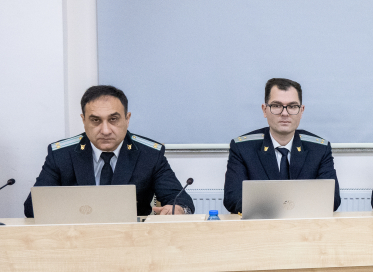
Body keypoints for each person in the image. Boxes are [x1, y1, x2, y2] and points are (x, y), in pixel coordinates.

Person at [24, 85, 194, 217]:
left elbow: (180, 200)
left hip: (132, 239)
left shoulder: (148, 154)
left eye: (113, 119)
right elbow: (32, 208)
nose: (105, 130)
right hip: (76, 237)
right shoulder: (62, 154)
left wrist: (177, 208)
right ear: (83, 120)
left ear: (127, 119)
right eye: (95, 120)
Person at [224, 78, 341, 214]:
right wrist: (289, 206)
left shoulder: (320, 149)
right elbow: (233, 199)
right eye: (277, 105)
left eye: (292, 106)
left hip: (304, 228)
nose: (284, 113)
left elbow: (332, 199)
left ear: (301, 111)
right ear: (264, 110)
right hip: (259, 228)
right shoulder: (242, 148)